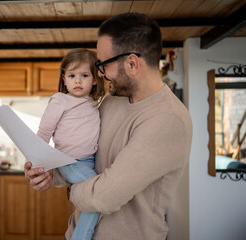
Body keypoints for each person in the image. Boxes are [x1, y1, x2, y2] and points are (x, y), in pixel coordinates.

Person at [25, 12, 193, 240]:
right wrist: (51, 174)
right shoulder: (112, 101)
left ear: (132, 64)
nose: (100, 75)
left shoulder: (167, 119)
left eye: (102, 65)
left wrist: (72, 190)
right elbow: (87, 157)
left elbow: (104, 196)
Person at [36, 48, 105, 240]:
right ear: (64, 78)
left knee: (90, 203)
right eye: (72, 75)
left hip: (90, 161)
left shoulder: (94, 103)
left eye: (84, 75)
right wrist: (36, 160)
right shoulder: (60, 101)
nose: (77, 80)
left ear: (94, 80)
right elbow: (44, 132)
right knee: (97, 195)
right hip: (70, 161)